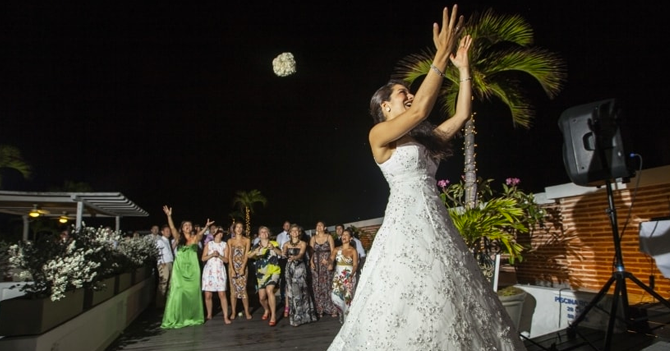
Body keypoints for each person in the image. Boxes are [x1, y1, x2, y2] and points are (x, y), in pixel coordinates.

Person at [328, 5, 526, 350]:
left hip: (436, 222)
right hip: (404, 226)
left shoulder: (425, 139)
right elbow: (421, 108)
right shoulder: (379, 136)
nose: (409, 94)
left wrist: (462, 68)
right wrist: (441, 52)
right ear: (385, 107)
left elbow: (462, 114)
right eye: (402, 92)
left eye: (409, 90)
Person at [160, 206, 212, 329]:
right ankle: (177, 317)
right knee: (178, 292)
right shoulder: (178, 237)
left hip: (193, 269)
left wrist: (206, 226)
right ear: (182, 228)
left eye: (189, 225)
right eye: (185, 225)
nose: (188, 227)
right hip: (180, 269)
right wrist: (169, 216)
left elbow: (201, 234)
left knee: (194, 292)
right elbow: (172, 227)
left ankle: (193, 317)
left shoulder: (195, 238)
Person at [282, 223, 318, 327]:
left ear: (299, 233)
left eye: (296, 231)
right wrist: (283, 254)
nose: (294, 232)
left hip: (300, 269)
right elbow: (284, 253)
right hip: (290, 269)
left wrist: (294, 257)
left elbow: (301, 254)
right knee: (293, 292)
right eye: (292, 231)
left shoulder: (303, 243)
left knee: (303, 291)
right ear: (290, 233)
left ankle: (307, 315)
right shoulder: (286, 244)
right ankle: (296, 317)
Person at [247, 226, 282, 326]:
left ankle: (273, 316)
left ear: (268, 234)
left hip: (273, 271)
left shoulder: (274, 243)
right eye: (262, 232)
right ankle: (267, 310)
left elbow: (281, 253)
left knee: (269, 290)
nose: (264, 233)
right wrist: (255, 252)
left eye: (266, 232)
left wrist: (274, 248)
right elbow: (248, 256)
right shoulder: (256, 246)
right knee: (262, 298)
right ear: (259, 235)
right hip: (261, 273)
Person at [328, 228, 358, 324]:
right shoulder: (337, 249)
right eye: (343, 235)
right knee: (335, 296)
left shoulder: (353, 250)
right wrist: (329, 263)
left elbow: (355, 265)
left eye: (346, 235)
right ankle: (342, 312)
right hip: (338, 276)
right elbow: (331, 259)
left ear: (350, 238)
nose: (344, 236)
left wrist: (352, 275)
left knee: (348, 298)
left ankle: (347, 321)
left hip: (349, 276)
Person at [201, 228, 231, 324]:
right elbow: (203, 258)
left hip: (219, 271)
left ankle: (226, 316)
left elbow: (226, 260)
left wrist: (219, 256)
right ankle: (209, 314)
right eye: (217, 232)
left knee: (222, 294)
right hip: (209, 271)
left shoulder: (225, 245)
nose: (219, 234)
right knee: (208, 294)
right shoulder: (209, 244)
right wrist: (212, 255)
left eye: (221, 232)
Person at [309, 221, 336, 318]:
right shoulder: (313, 238)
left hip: (326, 264)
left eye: (321, 225)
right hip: (316, 265)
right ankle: (319, 309)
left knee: (328, 285)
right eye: (317, 225)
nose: (319, 227)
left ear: (325, 227)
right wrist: (311, 262)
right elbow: (311, 252)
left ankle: (331, 308)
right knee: (317, 286)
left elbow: (333, 251)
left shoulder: (329, 237)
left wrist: (329, 261)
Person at [227, 221, 253, 320]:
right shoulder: (230, 241)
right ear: (234, 229)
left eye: (241, 227)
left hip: (243, 266)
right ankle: (233, 312)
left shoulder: (246, 240)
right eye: (237, 227)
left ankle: (246, 311)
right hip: (232, 267)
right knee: (233, 290)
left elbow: (246, 255)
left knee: (243, 289)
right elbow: (229, 256)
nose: (239, 229)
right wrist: (232, 269)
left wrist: (242, 268)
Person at [155, 224, 174, 308]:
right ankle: (160, 303)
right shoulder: (160, 241)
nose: (168, 232)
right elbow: (158, 252)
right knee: (163, 282)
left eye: (169, 231)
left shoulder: (167, 241)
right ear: (162, 232)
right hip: (164, 263)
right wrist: (161, 262)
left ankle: (166, 302)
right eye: (167, 231)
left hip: (170, 262)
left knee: (169, 283)